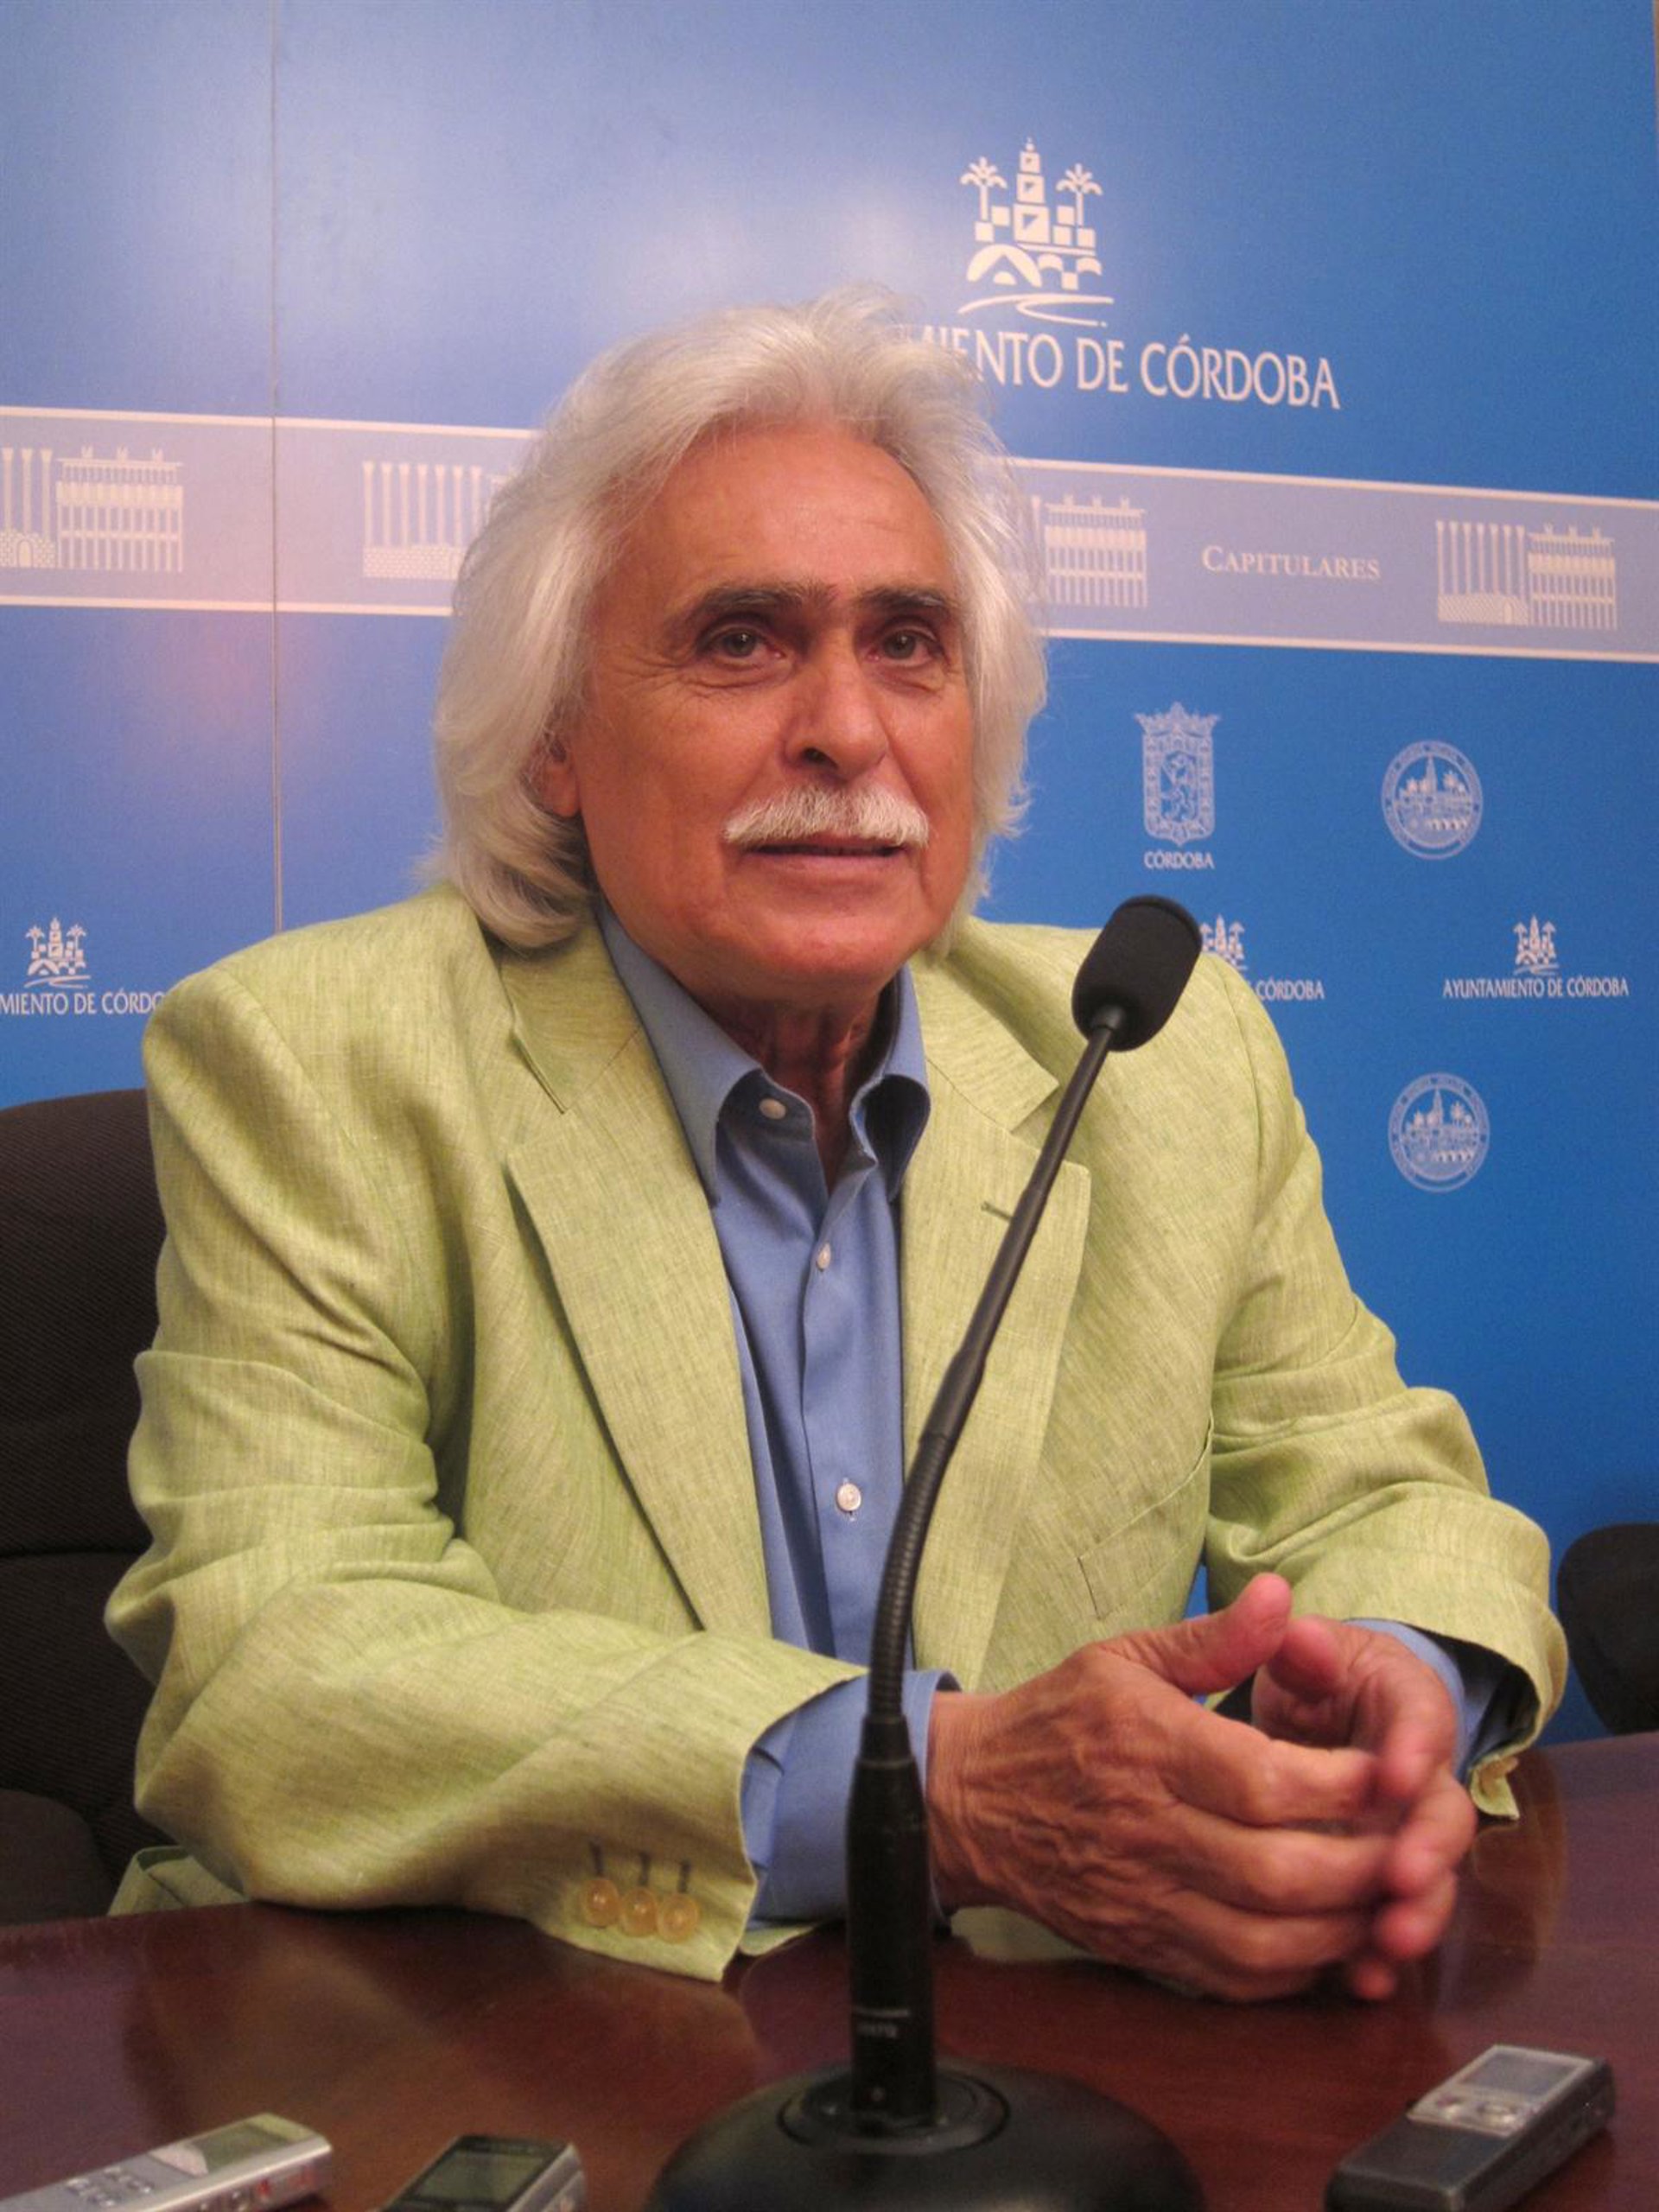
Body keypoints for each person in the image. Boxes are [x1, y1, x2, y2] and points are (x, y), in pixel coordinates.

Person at [108, 289, 1563, 2000]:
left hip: (1052, 2043)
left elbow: (1378, 1490)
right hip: (513, 2034)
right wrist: (939, 1788)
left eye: (910, 645)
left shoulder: (1156, 1054)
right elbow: (279, 1658)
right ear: (558, 736)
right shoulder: (316, 1059)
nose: (848, 731)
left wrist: (1390, 1682)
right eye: (742, 641)